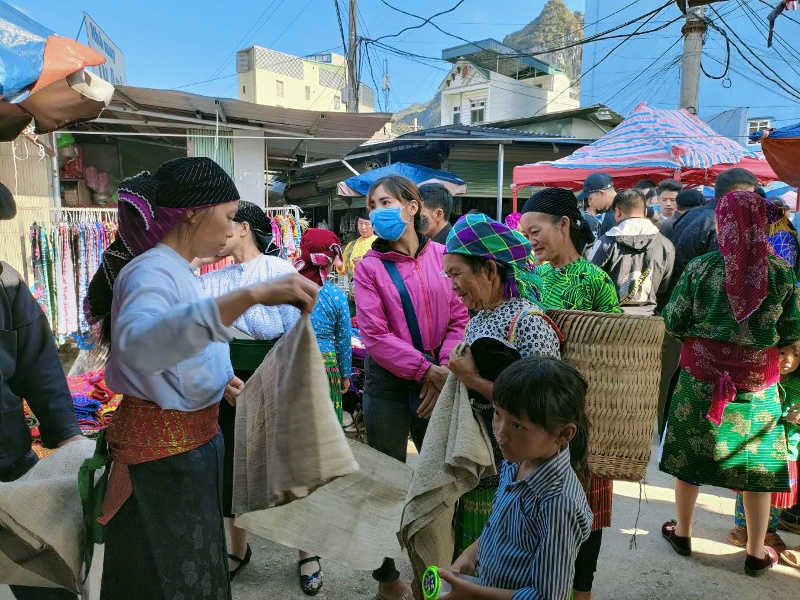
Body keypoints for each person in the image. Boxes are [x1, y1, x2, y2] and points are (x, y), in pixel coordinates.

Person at [85, 157, 318, 600]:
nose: (232, 229)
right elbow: (141, 346)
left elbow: (178, 345)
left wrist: (216, 379)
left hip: (187, 450)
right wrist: (249, 295)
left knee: (190, 567)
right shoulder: (150, 270)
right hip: (161, 460)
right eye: (228, 216)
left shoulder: (180, 271)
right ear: (193, 213)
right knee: (165, 574)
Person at [659, 190, 800, 577]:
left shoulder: (701, 268)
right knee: (758, 467)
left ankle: (683, 533)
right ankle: (756, 552)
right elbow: (790, 330)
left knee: (689, 458)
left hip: (700, 382)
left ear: (724, 224)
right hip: (758, 388)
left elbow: (673, 320)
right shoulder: (781, 272)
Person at [353, 174, 469, 600]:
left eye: (386, 202)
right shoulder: (367, 267)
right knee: (382, 486)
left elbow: (460, 317)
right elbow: (376, 336)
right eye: (372, 206)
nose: (377, 212)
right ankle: (388, 579)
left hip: (439, 380)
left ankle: (436, 577)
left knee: (440, 483)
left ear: (412, 206)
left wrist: (443, 371)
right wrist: (429, 373)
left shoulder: (443, 256)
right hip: (387, 386)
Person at [519, 187, 620, 600]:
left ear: (564, 225)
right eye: (526, 235)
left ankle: (581, 590)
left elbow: (614, 346)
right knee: (542, 501)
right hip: (540, 407)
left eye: (536, 230)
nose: (532, 241)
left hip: (589, 410)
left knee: (588, 508)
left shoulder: (596, 280)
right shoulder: (532, 276)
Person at [442, 213, 562, 553]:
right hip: (480, 451)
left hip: (515, 457)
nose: (452, 285)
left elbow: (539, 404)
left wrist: (470, 378)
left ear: (491, 270)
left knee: (507, 548)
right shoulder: (479, 318)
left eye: (457, 274)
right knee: (472, 545)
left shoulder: (528, 322)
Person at [199, 200, 301, 583]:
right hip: (227, 380)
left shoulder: (278, 269)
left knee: (288, 467)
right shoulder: (210, 277)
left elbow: (295, 330)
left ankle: (309, 553)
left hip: (273, 373)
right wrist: (221, 377)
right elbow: (202, 330)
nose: (220, 231)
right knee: (232, 466)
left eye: (227, 222)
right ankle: (237, 547)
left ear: (243, 228)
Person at [441, 357, 593, 600]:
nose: (501, 433)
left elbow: (546, 596)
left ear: (564, 433)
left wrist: (470, 593)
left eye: (517, 425)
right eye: (497, 414)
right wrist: (469, 558)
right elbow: (500, 529)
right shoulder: (515, 462)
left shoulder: (558, 503)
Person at [0, 182, 83, 600]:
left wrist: (70, 439)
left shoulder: (5, 283)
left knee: (45, 574)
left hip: (8, 455)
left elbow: (39, 365)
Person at [291, 227, 352, 595]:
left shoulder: (287, 286)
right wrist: (345, 376)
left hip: (294, 367)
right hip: (325, 369)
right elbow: (344, 337)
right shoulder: (333, 295)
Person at [726, 341, 800, 554]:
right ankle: (742, 526)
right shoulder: (761, 380)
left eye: (795, 355)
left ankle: (771, 529)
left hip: (787, 448)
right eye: (782, 353)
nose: (788, 360)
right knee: (748, 486)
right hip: (758, 445)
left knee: (776, 491)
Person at [588, 189, 675, 316]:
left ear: (617, 212)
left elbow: (589, 282)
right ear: (645, 212)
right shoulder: (666, 245)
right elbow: (664, 288)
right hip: (649, 323)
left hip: (609, 322)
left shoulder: (606, 243)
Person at [338, 210, 377, 277]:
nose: (363, 227)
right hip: (353, 285)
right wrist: (338, 263)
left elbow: (386, 270)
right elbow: (343, 271)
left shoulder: (381, 244)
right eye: (360, 223)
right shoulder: (351, 245)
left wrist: (365, 263)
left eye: (367, 224)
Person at [578, 173, 615, 239]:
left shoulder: (614, 216)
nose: (589, 203)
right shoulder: (622, 208)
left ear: (601, 193)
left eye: (590, 198)